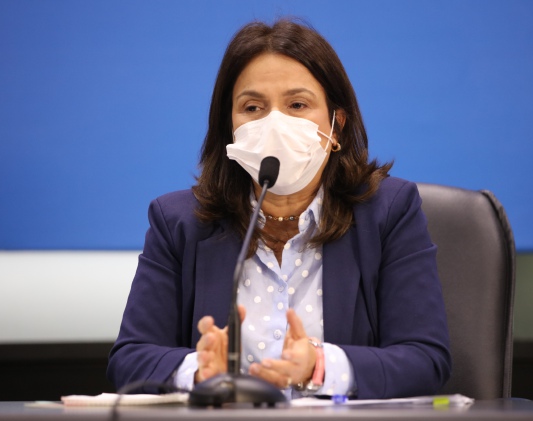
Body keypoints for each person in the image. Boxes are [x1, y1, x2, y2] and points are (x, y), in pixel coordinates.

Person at [107, 18, 451, 399]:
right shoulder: (178, 223)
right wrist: (197, 371)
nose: (274, 124)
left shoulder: (389, 212)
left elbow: (425, 360)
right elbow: (130, 358)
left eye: (297, 105)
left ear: (336, 124)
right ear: (231, 128)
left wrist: (320, 365)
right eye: (253, 107)